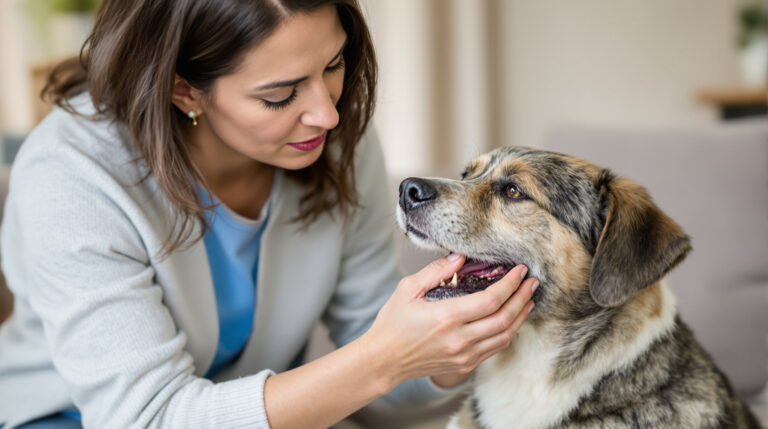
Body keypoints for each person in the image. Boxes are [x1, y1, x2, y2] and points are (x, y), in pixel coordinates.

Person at [0, 1, 538, 428]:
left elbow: (383, 359)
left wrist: (455, 341)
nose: (326, 113)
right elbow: (147, 418)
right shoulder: (72, 175)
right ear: (184, 89)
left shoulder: (339, 143)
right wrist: (384, 358)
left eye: (333, 65)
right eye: (280, 96)